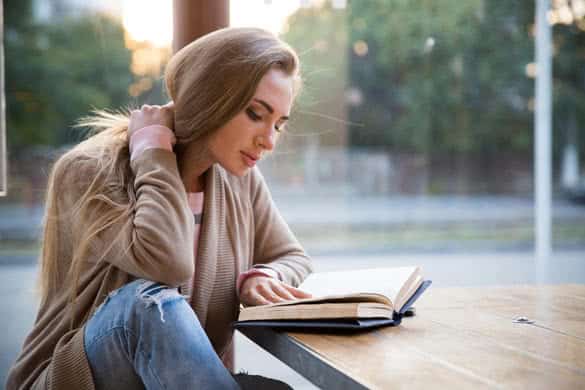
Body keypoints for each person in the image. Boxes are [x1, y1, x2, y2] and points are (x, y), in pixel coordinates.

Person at [6, 27, 313, 390]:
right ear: (211, 97)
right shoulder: (89, 172)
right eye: (255, 114)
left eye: (279, 123)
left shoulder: (240, 180)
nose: (269, 140)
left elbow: (293, 257)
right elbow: (168, 263)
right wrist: (154, 153)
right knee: (146, 306)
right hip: (76, 379)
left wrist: (264, 275)